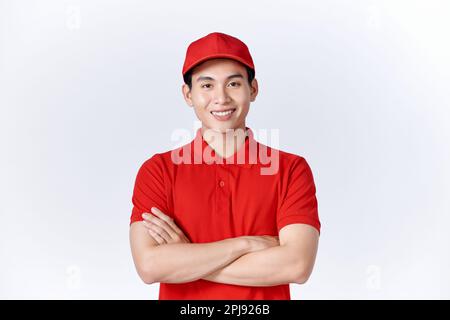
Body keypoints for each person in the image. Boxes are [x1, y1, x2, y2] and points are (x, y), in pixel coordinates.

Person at [129, 32, 321, 300]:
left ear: (253, 89)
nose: (221, 98)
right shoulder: (158, 171)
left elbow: (296, 265)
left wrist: (187, 257)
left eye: (233, 84)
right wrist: (245, 244)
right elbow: (149, 266)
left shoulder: (291, 169)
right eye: (207, 86)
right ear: (188, 94)